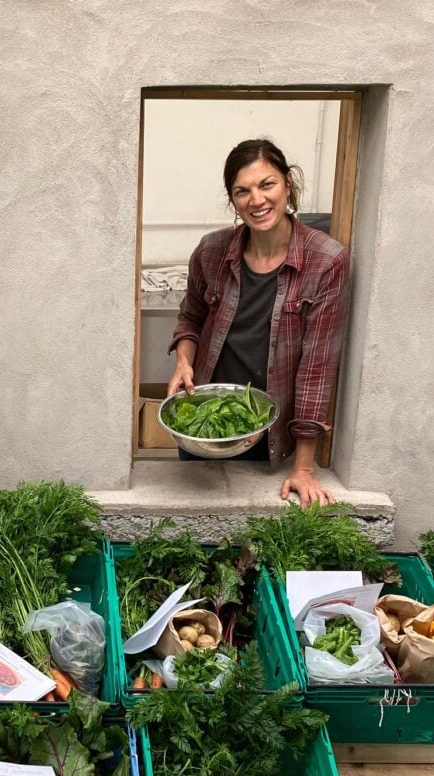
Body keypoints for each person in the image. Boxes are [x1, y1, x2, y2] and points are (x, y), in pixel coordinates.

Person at [167, 138, 350, 508]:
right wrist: (184, 361)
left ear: (288, 185)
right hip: (206, 420)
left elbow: (317, 368)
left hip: (270, 434)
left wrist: (302, 469)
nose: (257, 200)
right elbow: (191, 317)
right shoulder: (211, 251)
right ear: (232, 199)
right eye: (242, 191)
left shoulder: (326, 261)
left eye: (267, 184)